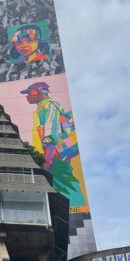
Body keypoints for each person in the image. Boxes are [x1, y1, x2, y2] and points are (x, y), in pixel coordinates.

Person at [20, 81, 87, 209]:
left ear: (40, 91)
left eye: (30, 92)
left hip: (54, 157)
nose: (27, 95)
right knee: (61, 186)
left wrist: (47, 158)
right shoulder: (41, 107)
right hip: (52, 156)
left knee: (66, 186)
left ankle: (76, 209)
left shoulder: (50, 106)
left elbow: (51, 133)